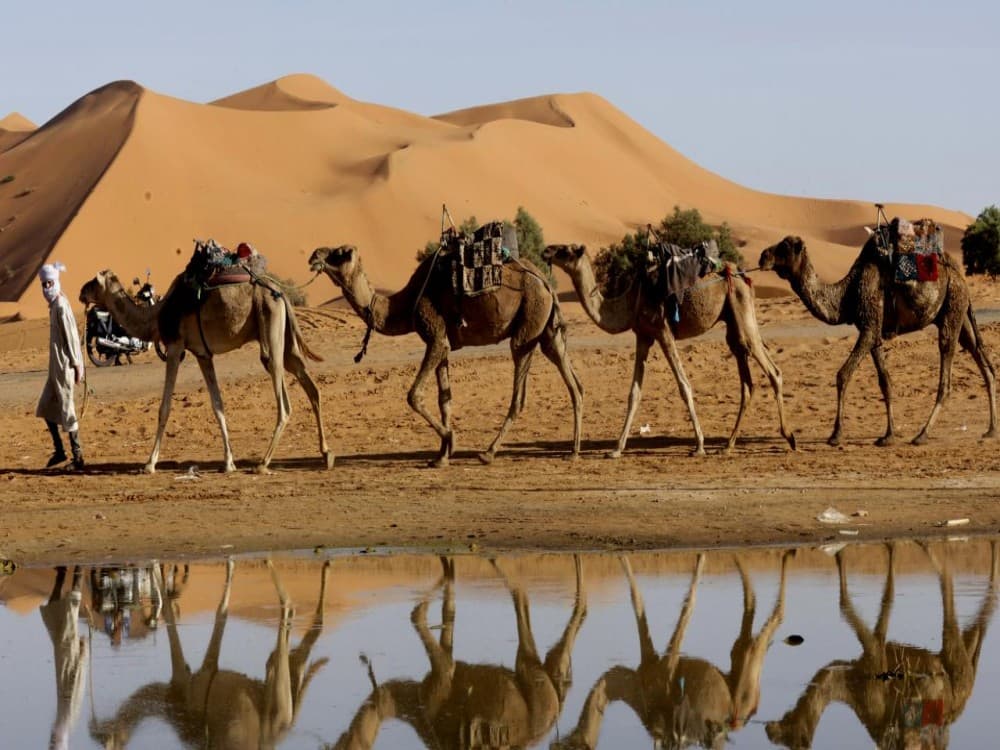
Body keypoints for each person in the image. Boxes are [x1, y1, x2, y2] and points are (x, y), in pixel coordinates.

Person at [35, 262, 85, 470]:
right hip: (54, 369)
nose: (47, 288)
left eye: (49, 283)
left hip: (65, 367)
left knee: (67, 410)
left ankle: (78, 457)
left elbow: (72, 338)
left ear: (56, 282)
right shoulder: (54, 305)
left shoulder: (62, 306)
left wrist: (77, 364)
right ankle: (59, 451)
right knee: (45, 407)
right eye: (44, 284)